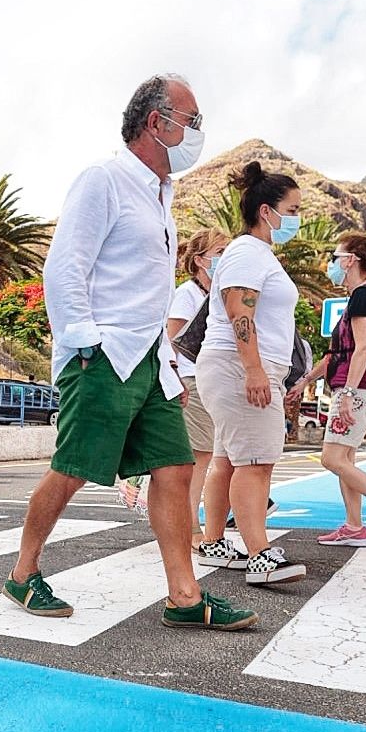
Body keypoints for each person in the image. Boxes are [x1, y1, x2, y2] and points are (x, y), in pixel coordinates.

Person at [3, 75, 257, 631]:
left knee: (176, 467)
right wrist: (85, 342)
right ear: (155, 122)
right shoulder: (105, 180)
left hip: (149, 359)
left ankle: (185, 598)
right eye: (191, 121)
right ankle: (23, 573)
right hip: (103, 353)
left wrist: (165, 360)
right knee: (73, 469)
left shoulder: (160, 196)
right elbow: (64, 267)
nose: (197, 133)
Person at [193, 162, 307, 586]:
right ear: (266, 210)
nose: (297, 218)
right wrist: (255, 371)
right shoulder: (245, 251)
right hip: (239, 368)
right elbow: (238, 308)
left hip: (236, 367)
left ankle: (214, 541)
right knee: (257, 463)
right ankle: (260, 554)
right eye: (292, 209)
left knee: (228, 459)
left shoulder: (256, 253)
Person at [286, 232, 366, 547]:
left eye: (335, 257)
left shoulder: (365, 296)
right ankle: (354, 526)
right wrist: (307, 380)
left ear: (351, 259)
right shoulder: (365, 296)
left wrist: (346, 394)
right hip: (358, 387)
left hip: (359, 389)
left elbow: (363, 349)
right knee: (345, 458)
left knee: (331, 458)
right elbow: (337, 354)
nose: (331, 264)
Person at [166, 228, 230, 543]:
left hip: (213, 380)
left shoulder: (216, 294)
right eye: (219, 252)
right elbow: (172, 339)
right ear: (199, 260)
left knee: (210, 456)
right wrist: (175, 376)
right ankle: (190, 528)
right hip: (194, 379)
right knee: (199, 457)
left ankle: (193, 524)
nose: (224, 258)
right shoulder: (187, 294)